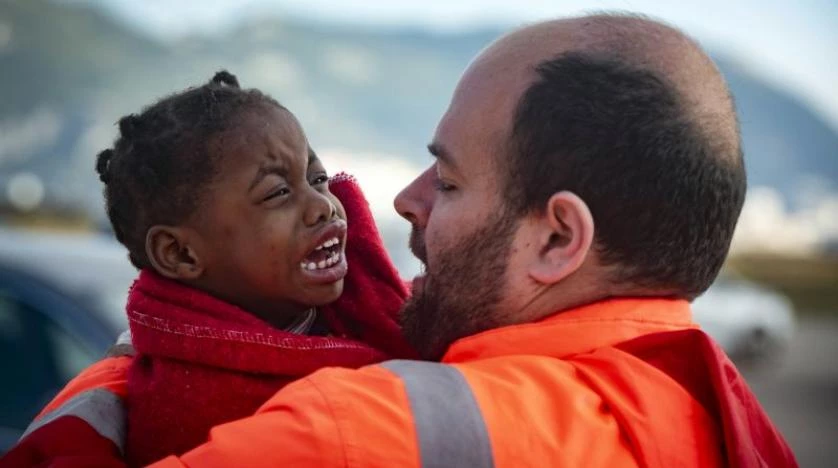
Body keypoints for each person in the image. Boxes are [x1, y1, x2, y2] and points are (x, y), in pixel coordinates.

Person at [3, 13, 797, 468]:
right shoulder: (701, 411)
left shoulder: (363, 429)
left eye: (447, 183)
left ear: (558, 239)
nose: (399, 201)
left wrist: (130, 364)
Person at [0, 71, 413, 467]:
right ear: (180, 254)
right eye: (278, 192)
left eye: (317, 177)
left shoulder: (383, 308)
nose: (323, 204)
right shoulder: (189, 413)